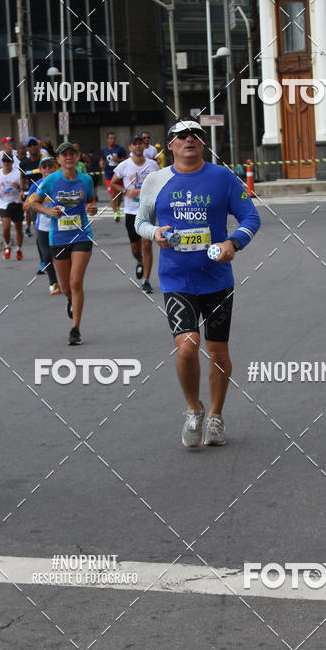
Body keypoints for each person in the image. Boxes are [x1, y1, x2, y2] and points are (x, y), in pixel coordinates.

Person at [136, 119, 261, 449]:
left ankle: (216, 416)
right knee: (187, 347)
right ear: (171, 145)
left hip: (217, 279)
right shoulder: (156, 180)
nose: (190, 138)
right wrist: (154, 233)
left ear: (202, 144)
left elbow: (251, 216)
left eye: (196, 135)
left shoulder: (222, 177)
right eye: (182, 135)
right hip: (177, 278)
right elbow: (140, 220)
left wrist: (234, 243)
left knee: (217, 350)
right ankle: (194, 409)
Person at [33, 142, 96, 345]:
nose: (68, 157)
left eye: (72, 154)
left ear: (77, 157)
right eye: (64, 155)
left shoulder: (86, 180)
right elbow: (34, 202)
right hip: (58, 238)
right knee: (66, 287)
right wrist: (49, 211)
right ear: (59, 159)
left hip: (82, 235)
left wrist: (91, 207)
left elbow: (90, 201)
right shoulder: (51, 180)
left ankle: (75, 329)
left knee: (76, 281)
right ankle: (71, 299)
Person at [110, 135, 159, 294]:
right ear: (130, 147)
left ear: (144, 147)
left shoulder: (153, 165)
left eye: (140, 144)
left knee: (147, 245)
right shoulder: (124, 166)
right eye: (134, 144)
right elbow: (113, 183)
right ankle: (140, 261)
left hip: (147, 211)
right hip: (131, 212)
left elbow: (160, 184)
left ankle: (146, 281)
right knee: (135, 249)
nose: (138, 147)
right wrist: (126, 191)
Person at [23, 155, 60, 294]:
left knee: (60, 255)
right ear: (40, 169)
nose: (48, 169)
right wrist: (32, 200)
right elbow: (25, 207)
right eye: (44, 167)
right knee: (46, 256)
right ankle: (53, 283)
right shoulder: (36, 185)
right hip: (43, 226)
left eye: (50, 166)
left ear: (55, 167)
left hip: (59, 226)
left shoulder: (61, 182)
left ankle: (66, 279)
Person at [0, 152, 24, 260]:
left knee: (18, 228)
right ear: (2, 162)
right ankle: (7, 247)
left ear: (12, 162)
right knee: (6, 227)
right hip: (3, 203)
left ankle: (19, 249)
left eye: (8, 161)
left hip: (16, 203)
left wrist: (19, 187)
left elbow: (23, 189)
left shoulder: (18, 173)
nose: (6, 163)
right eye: (4, 161)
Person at [19, 136, 43, 237]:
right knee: (37, 225)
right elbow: (22, 177)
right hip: (33, 195)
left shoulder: (45, 161)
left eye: (34, 145)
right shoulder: (24, 164)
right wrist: (21, 190)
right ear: (27, 149)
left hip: (47, 196)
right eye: (30, 145)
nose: (33, 147)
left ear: (38, 146)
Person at [100, 132, 126, 222]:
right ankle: (115, 213)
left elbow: (127, 160)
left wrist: (118, 160)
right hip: (108, 175)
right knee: (112, 194)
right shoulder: (104, 150)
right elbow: (102, 159)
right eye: (110, 138)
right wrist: (101, 163)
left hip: (119, 175)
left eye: (114, 138)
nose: (112, 140)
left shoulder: (120, 149)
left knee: (119, 194)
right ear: (107, 140)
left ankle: (117, 208)